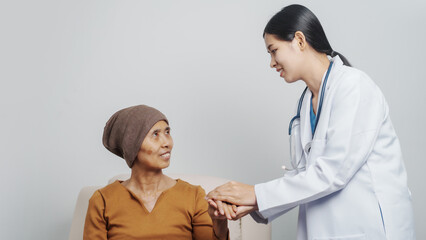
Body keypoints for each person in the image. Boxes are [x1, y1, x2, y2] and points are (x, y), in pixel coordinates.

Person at [206, 4, 415, 240]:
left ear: (299, 40)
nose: (272, 63)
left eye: (274, 50)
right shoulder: (306, 103)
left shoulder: (353, 87)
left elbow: (333, 173)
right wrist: (251, 204)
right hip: (329, 229)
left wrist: (256, 194)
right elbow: (305, 176)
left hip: (371, 228)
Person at [83, 105, 229, 240]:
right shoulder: (102, 201)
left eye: (167, 132)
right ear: (131, 145)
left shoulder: (194, 196)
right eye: (155, 134)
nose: (167, 143)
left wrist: (220, 223)